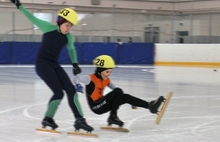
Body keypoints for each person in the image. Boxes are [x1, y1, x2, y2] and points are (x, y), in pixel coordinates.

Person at [10, 0, 93, 132]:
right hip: (42, 64)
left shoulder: (69, 37)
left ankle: (79, 120)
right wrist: (18, 5)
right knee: (58, 93)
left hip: (54, 64)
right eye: (67, 25)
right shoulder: (48, 27)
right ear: (60, 22)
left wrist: (75, 64)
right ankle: (48, 118)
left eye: (71, 26)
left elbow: (72, 50)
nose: (69, 28)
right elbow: (31, 17)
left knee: (71, 91)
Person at [73, 55, 165, 127]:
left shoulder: (107, 80)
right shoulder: (89, 78)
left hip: (103, 104)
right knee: (118, 91)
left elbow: (119, 94)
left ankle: (149, 106)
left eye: (110, 72)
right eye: (107, 72)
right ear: (99, 70)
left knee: (124, 96)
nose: (109, 74)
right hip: (96, 107)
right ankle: (113, 117)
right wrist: (77, 85)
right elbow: (75, 78)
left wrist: (131, 101)